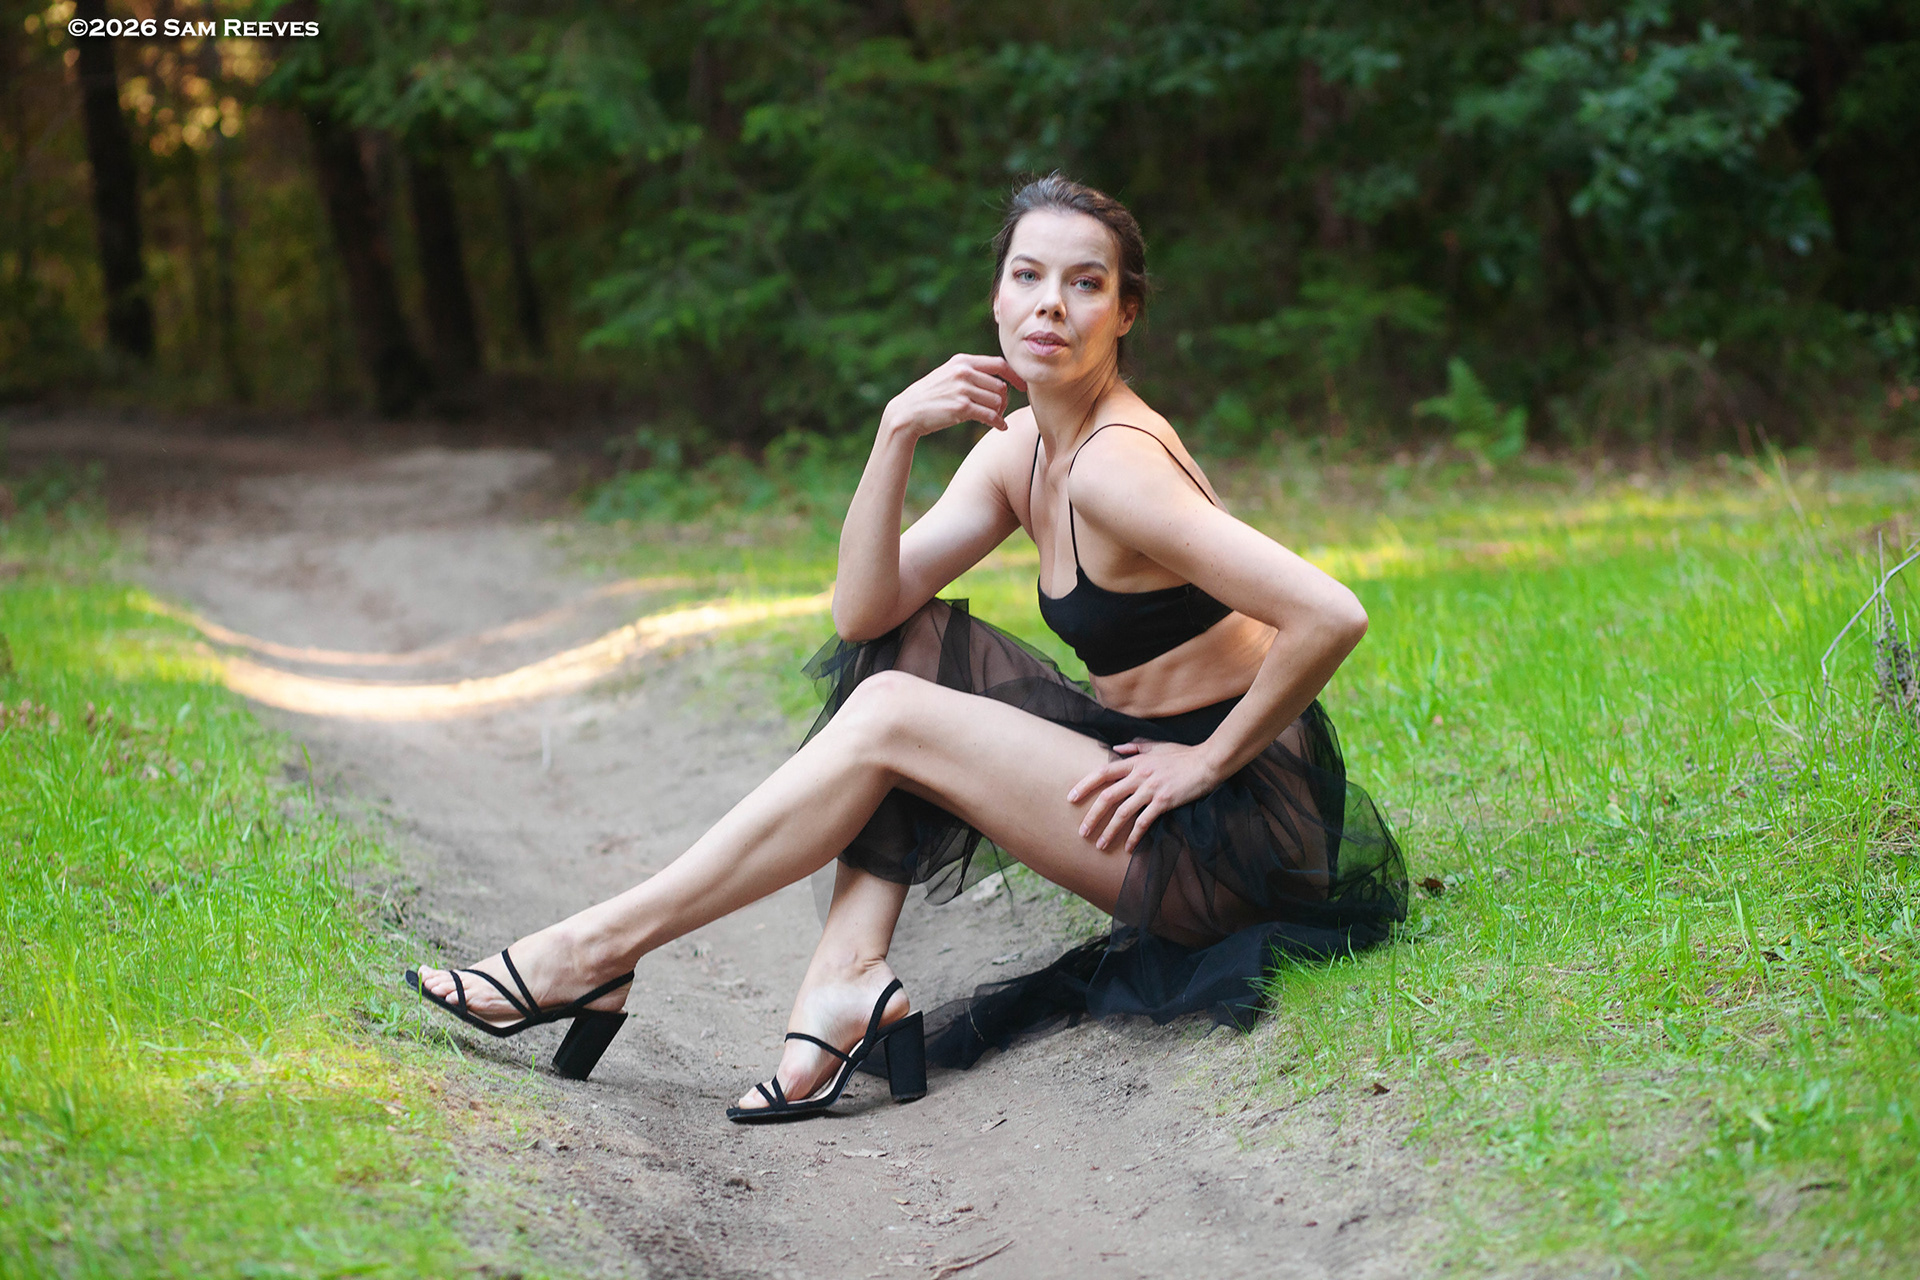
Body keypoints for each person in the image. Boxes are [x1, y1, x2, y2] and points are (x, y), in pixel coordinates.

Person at [408, 174, 1406, 1123]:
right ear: (996, 296)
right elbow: (864, 611)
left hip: (1232, 843)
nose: (1051, 304)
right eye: (1028, 275)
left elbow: (1330, 612)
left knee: (890, 712)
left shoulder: (1117, 466)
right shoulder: (1022, 449)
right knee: (904, 642)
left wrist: (1207, 760)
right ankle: (844, 978)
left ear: (1125, 313)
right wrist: (894, 432)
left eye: (1085, 283)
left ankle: (595, 950)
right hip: (1145, 782)